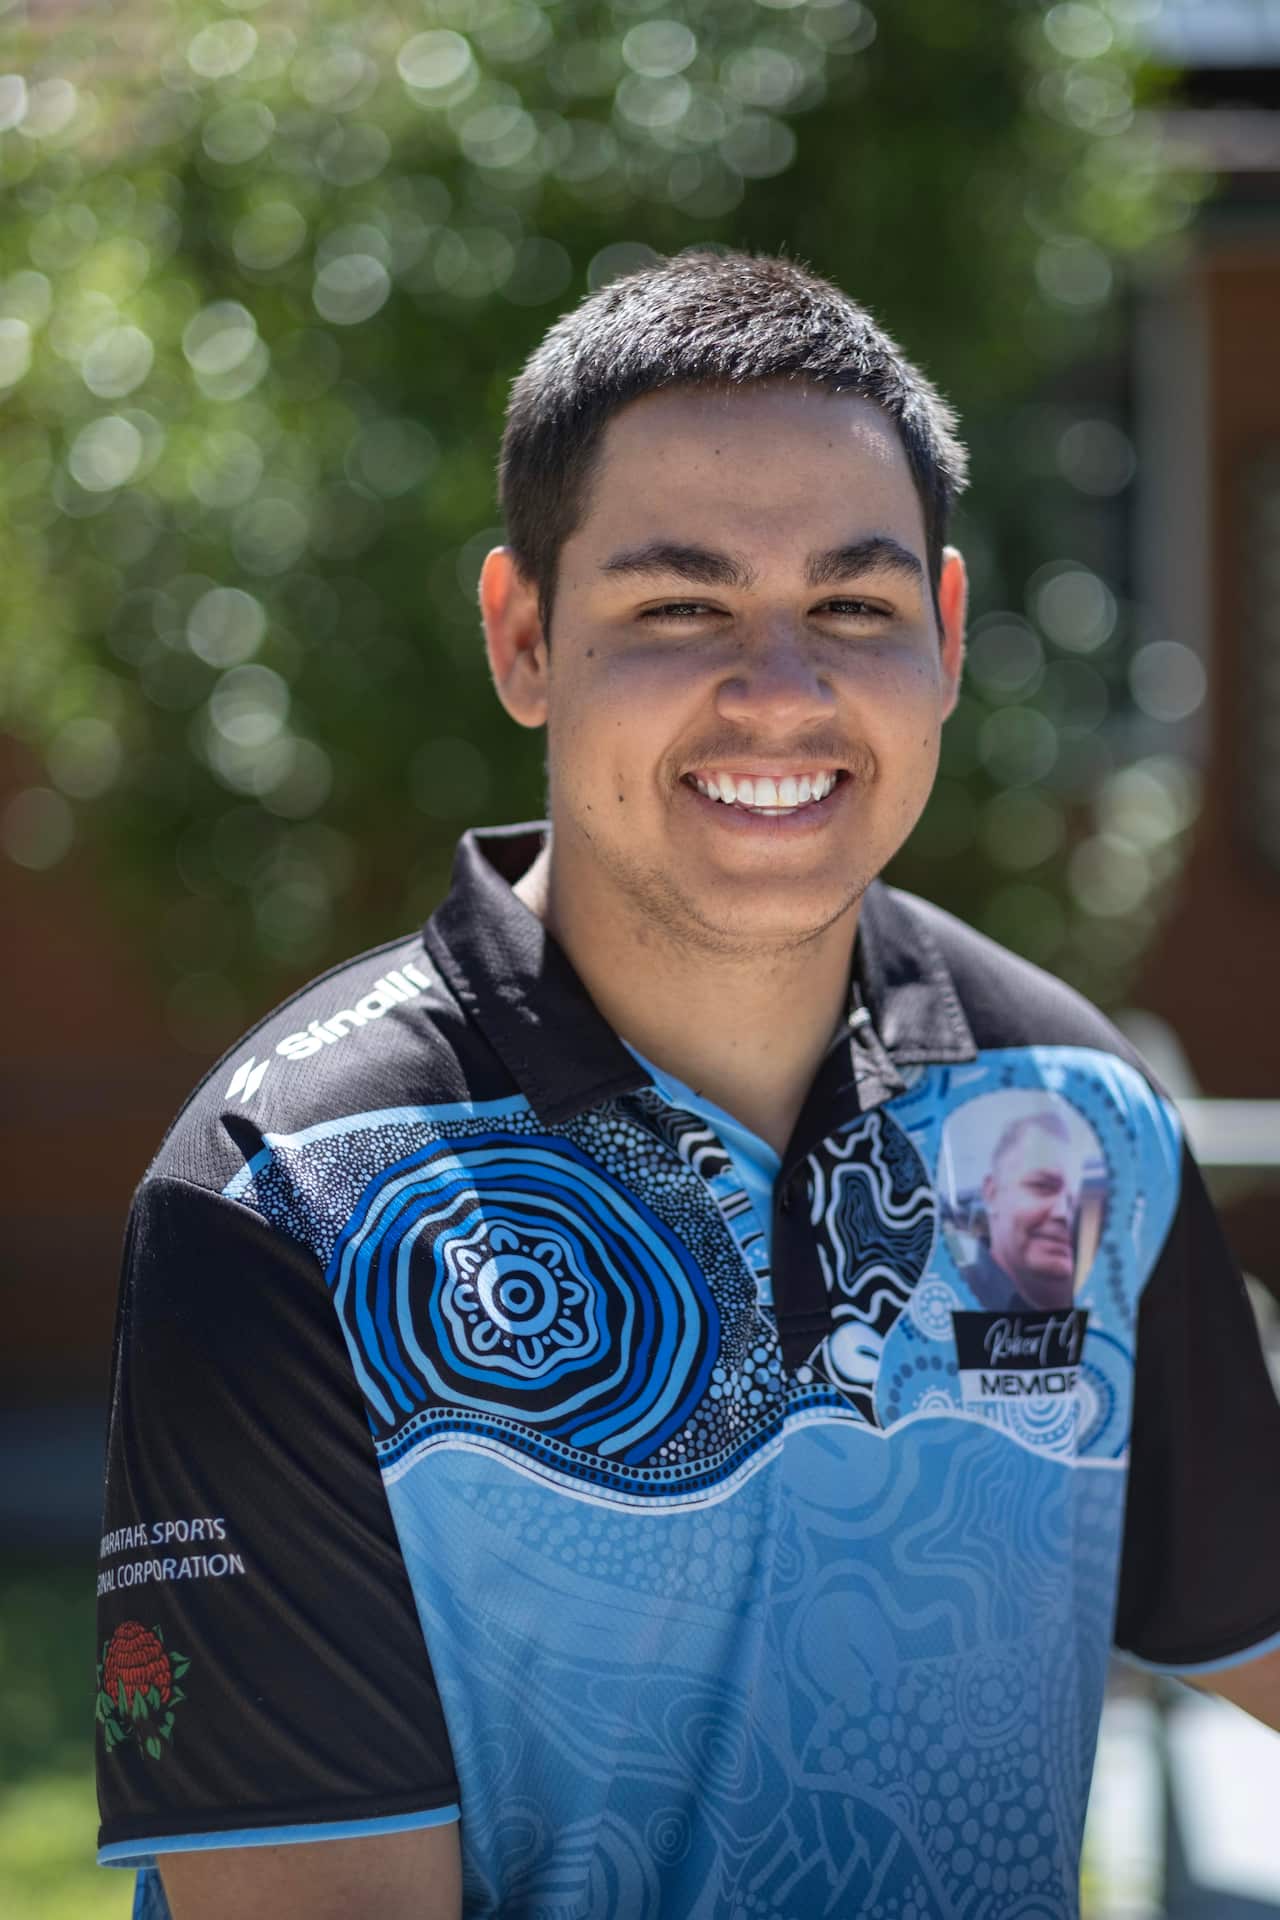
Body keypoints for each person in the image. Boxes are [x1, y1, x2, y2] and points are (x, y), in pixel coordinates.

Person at [95, 252, 1280, 1920]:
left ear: (942, 636)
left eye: (853, 607)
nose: (781, 691)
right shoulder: (290, 1194)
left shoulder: (1071, 1118)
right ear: (524, 639)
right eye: (678, 609)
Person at [964, 1110, 1083, 1313]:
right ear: (991, 1192)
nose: (1064, 1213)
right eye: (1043, 1186)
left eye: (1075, 1202)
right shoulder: (949, 1295)